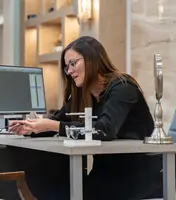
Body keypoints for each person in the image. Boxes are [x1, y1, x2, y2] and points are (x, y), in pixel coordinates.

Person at [9, 36, 163, 200]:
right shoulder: (83, 94)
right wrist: (30, 128)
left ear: (92, 59)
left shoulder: (123, 88)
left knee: (58, 185)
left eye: (73, 64)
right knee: (41, 171)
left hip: (136, 178)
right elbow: (58, 120)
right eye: (67, 67)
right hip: (105, 175)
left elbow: (105, 129)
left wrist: (52, 125)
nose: (69, 71)